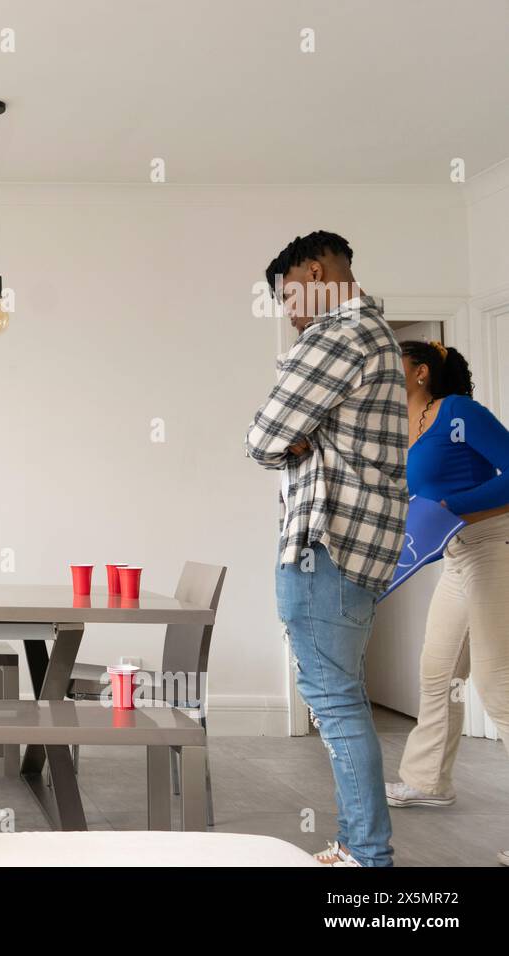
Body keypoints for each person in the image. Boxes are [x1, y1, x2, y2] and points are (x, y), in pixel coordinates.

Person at [244, 231, 408, 867]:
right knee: (343, 694)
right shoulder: (380, 336)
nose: (288, 312)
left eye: (288, 294)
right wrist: (297, 438)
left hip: (325, 543)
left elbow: (261, 437)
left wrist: (288, 441)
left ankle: (366, 856)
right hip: (364, 549)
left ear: (314, 271)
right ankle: (361, 849)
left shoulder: (336, 334)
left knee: (334, 700)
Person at [384, 340, 509, 867]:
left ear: (419, 373)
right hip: (459, 553)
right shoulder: (401, 428)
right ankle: (427, 779)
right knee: (438, 670)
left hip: (494, 545)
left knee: (497, 681)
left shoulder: (458, 412)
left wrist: (452, 507)